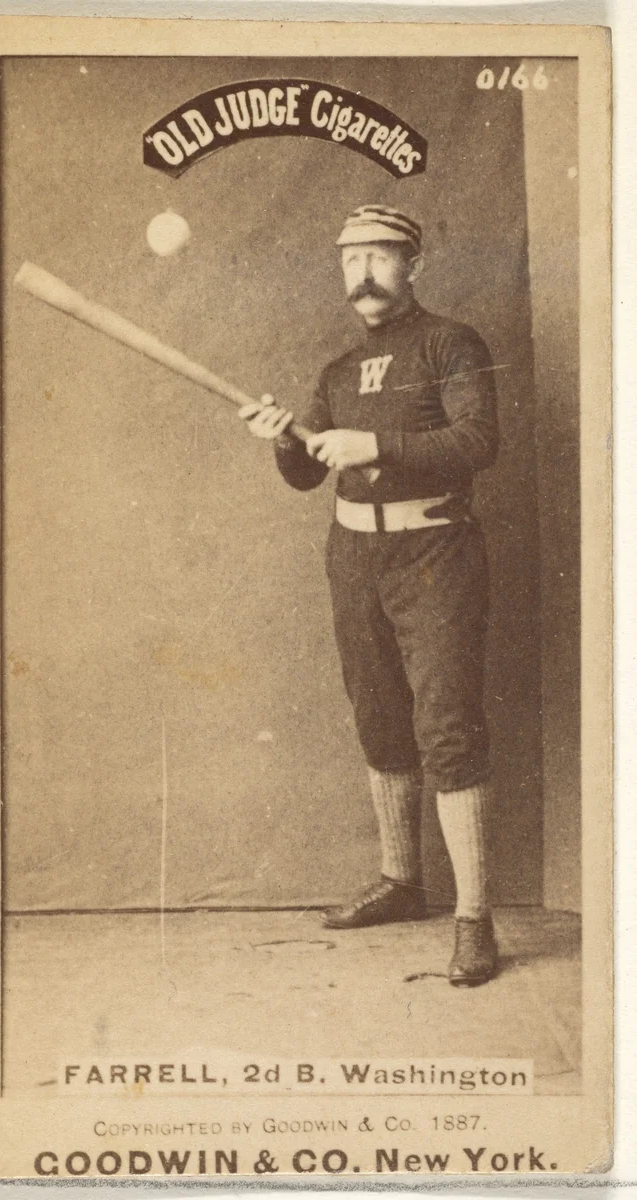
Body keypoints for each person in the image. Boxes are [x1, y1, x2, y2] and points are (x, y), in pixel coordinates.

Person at [239, 204, 499, 986]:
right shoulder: (340, 370)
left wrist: (377, 444)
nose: (365, 274)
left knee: (446, 725)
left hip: (435, 551)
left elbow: (480, 442)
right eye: (351, 259)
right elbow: (308, 474)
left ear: (412, 265)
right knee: (379, 715)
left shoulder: (451, 343)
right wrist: (287, 438)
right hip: (353, 552)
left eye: (382, 257)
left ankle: (474, 920)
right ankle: (402, 882)